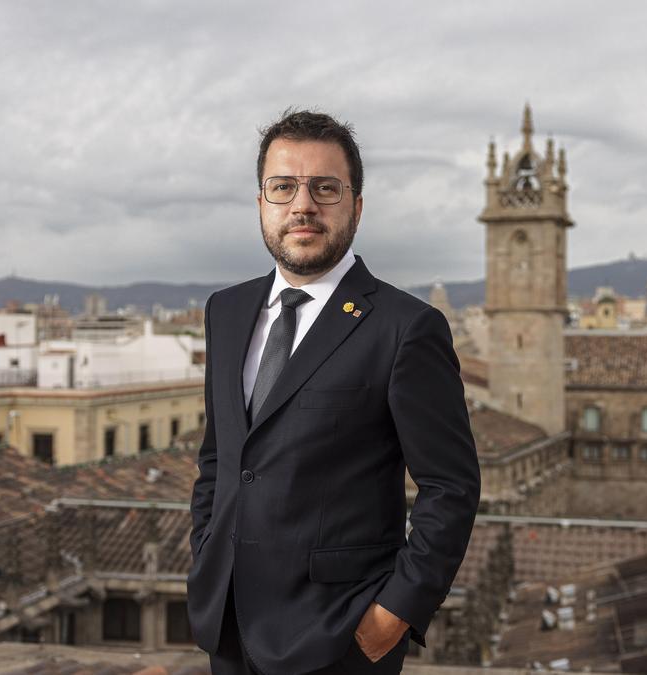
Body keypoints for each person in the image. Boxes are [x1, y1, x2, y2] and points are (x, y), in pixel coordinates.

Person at [184, 109, 481, 675]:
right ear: (261, 203)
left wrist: (396, 610)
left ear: (357, 206)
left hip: (339, 637)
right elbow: (220, 457)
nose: (303, 204)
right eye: (283, 187)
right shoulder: (226, 311)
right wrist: (206, 553)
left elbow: (451, 486)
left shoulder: (405, 327)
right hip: (225, 624)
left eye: (325, 187)